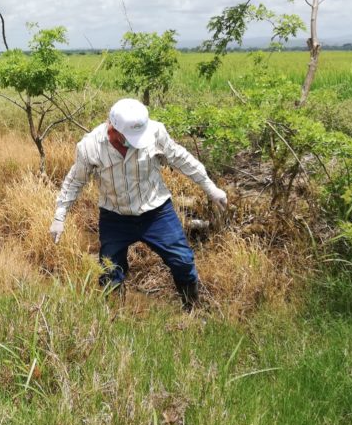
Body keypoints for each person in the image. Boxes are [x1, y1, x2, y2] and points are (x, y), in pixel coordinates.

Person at [50, 98, 227, 310]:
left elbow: (181, 158)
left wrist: (210, 187)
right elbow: (75, 181)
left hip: (156, 212)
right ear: (114, 128)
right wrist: (60, 215)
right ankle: (114, 317)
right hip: (115, 217)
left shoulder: (155, 132)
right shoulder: (90, 146)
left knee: (182, 261)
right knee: (110, 271)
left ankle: (192, 309)